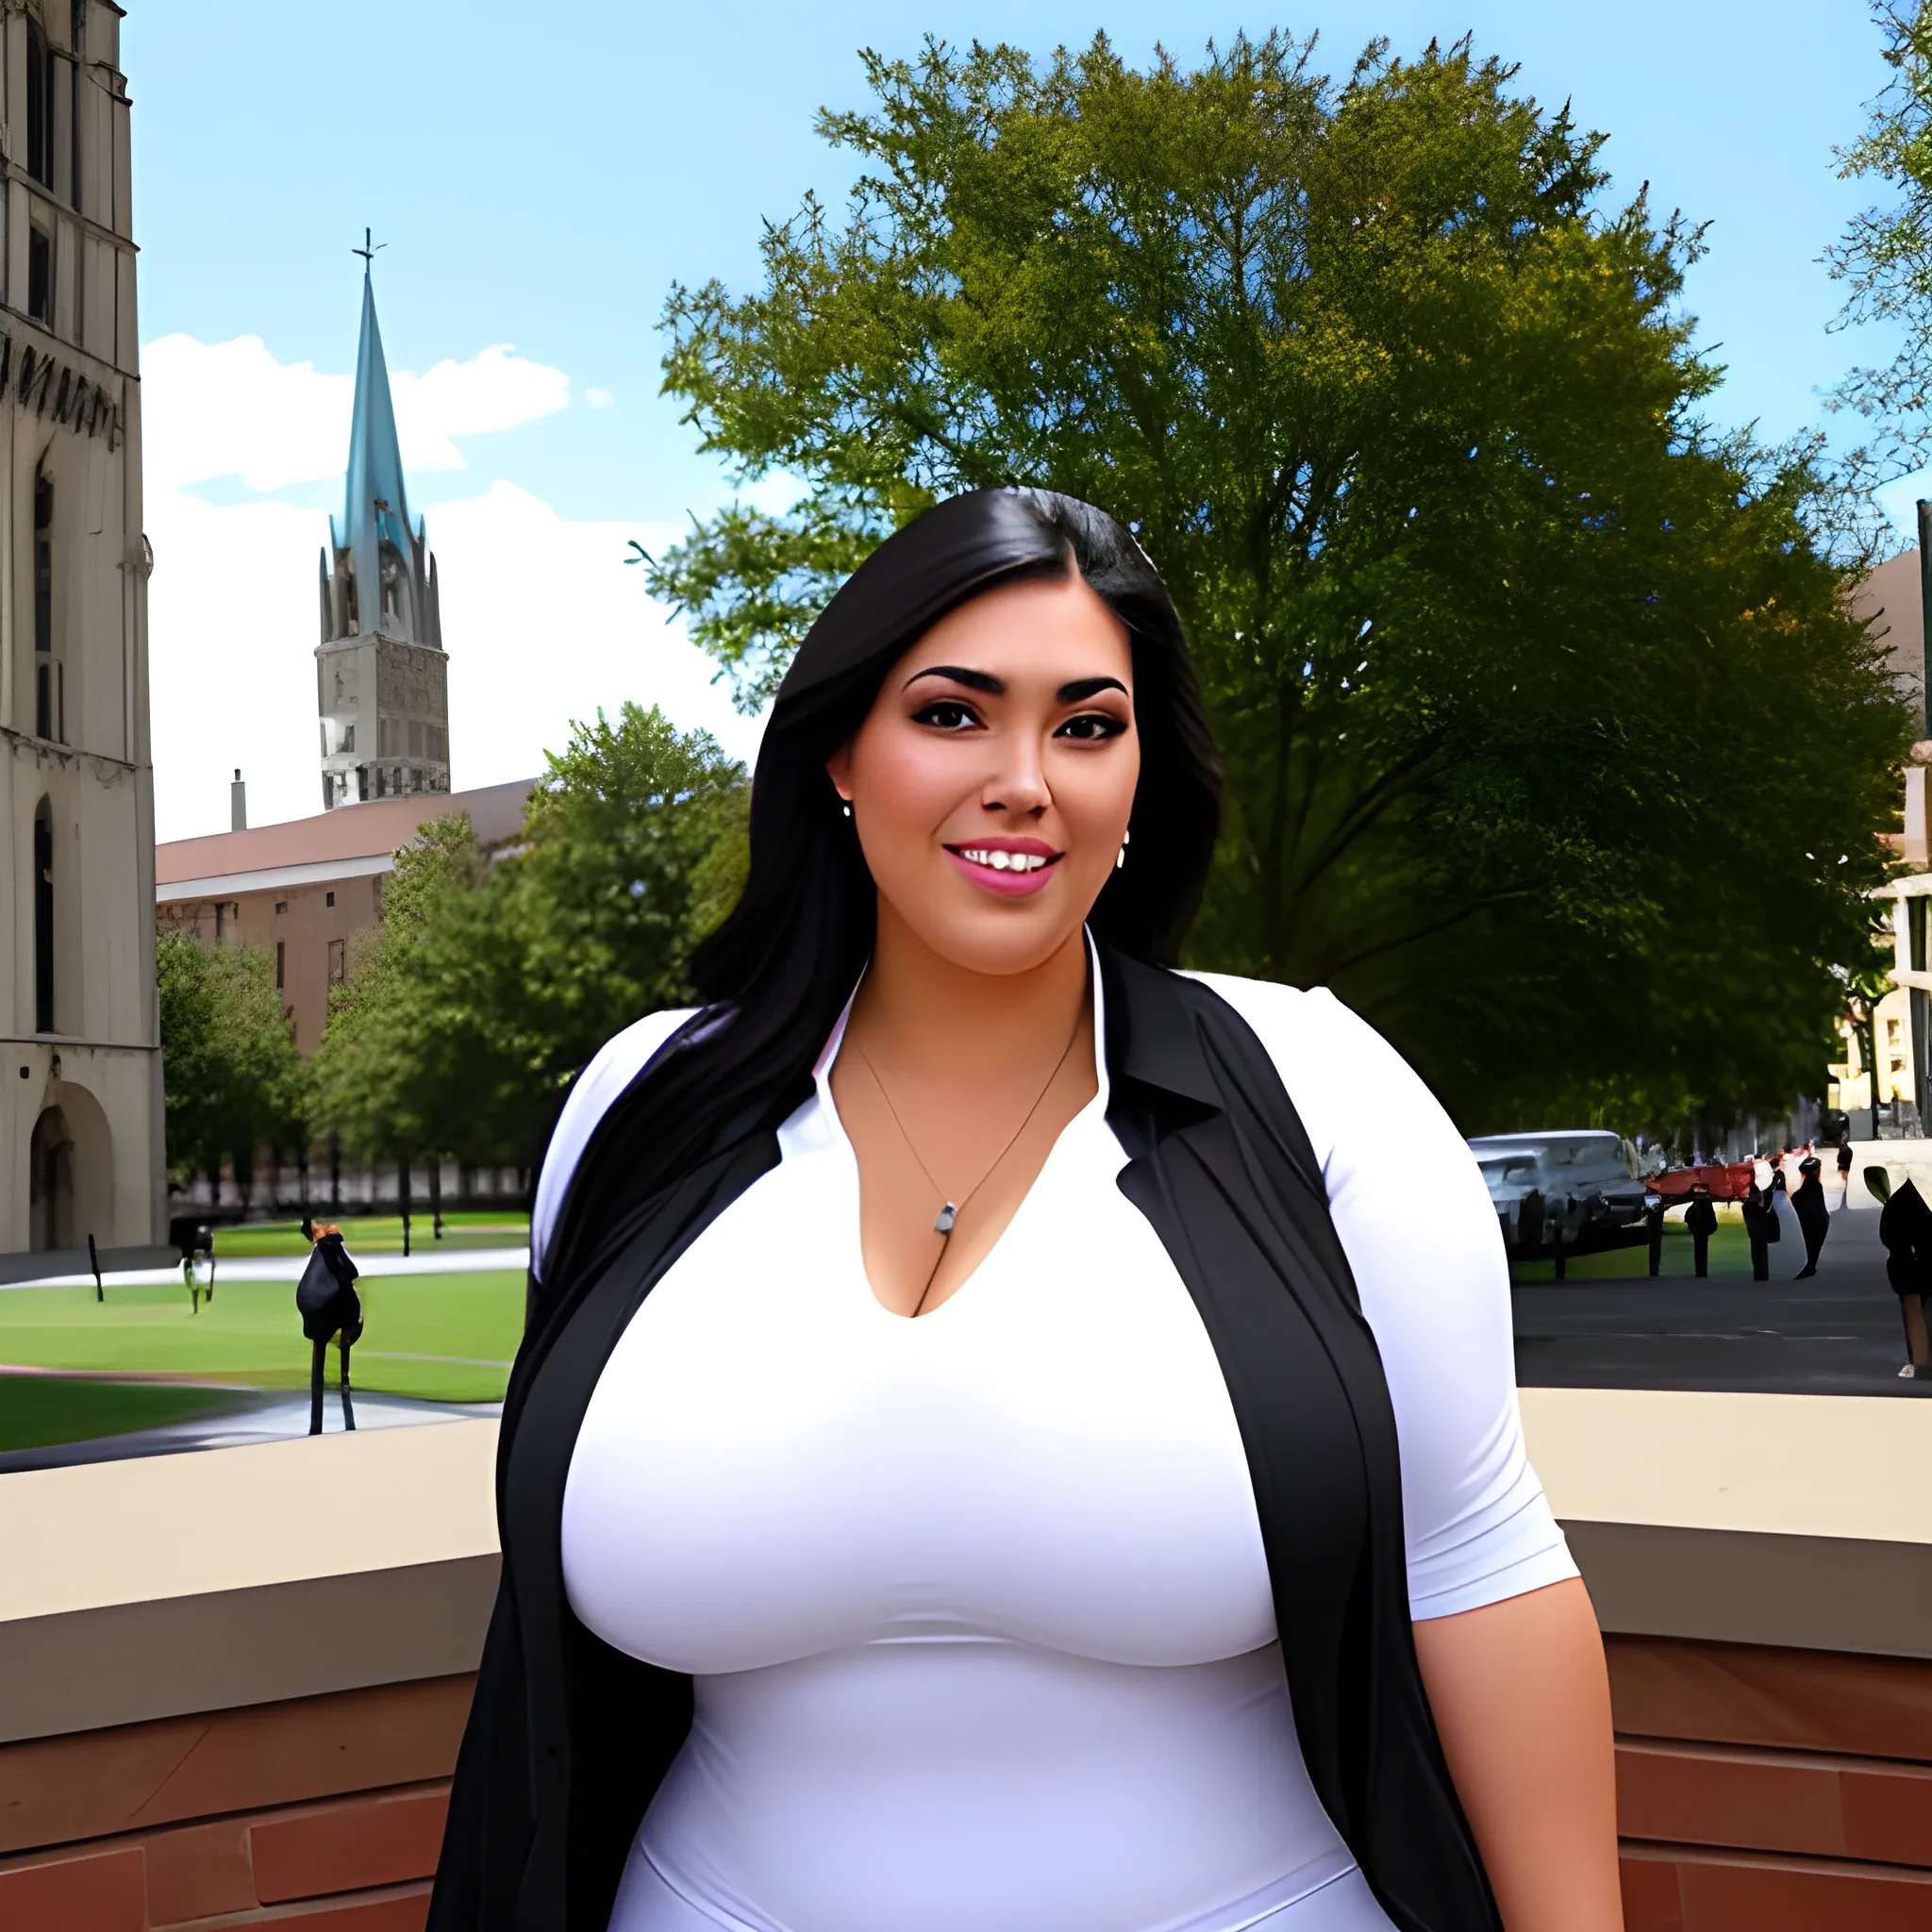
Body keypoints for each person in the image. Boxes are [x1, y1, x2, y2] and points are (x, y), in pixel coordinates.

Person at [429, 490, 1622, 1932]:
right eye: (952, 715)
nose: (1026, 781)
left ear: (1141, 778)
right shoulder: (642, 1107)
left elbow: (1482, 1573)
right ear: (838, 757)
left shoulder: (1319, 1089)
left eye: (1086, 724)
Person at [1875, 1169, 1932, 1379]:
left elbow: (1887, 1235)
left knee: (1913, 1312)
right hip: (1918, 1262)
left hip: (1906, 1264)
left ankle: (1919, 1362)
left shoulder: (1898, 1200)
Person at [1790, 1157, 1830, 1279]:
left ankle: (1809, 1267)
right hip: (1815, 1221)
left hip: (1810, 1221)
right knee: (1813, 1246)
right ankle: (1809, 1267)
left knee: (1810, 1246)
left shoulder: (1808, 1187)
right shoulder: (1814, 1186)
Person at [1742, 1158, 1779, 1283]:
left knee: (1757, 1244)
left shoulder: (1752, 1184)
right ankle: (1761, 1273)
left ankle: (1760, 1272)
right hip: (1759, 1214)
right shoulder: (1768, 1184)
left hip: (1754, 1213)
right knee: (1760, 1245)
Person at [1684, 1185, 1718, 1278]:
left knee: (1699, 1249)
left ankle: (1700, 1271)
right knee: (1702, 1248)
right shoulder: (1707, 1203)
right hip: (1704, 1226)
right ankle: (1702, 1271)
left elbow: (1688, 1217)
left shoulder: (1696, 1204)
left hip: (1697, 1227)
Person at [1838, 1133, 1855, 1206]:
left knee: (1844, 1177)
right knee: (1845, 1176)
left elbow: (1838, 1160)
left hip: (1843, 1166)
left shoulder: (1842, 1151)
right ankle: (1845, 1186)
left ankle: (1844, 1187)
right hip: (1846, 1165)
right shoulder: (1849, 1151)